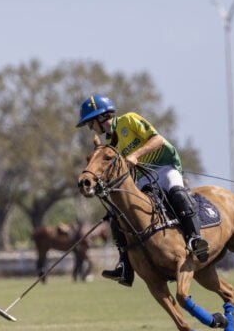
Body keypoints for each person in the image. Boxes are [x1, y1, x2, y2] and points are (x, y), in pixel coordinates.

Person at [76, 94, 209, 286]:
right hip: (142, 178)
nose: (90, 128)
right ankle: (124, 266)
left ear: (100, 117)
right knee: (118, 213)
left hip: (164, 167)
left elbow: (158, 140)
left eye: (90, 123)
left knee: (177, 192)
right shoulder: (111, 145)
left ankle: (195, 240)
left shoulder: (128, 120)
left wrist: (135, 155)